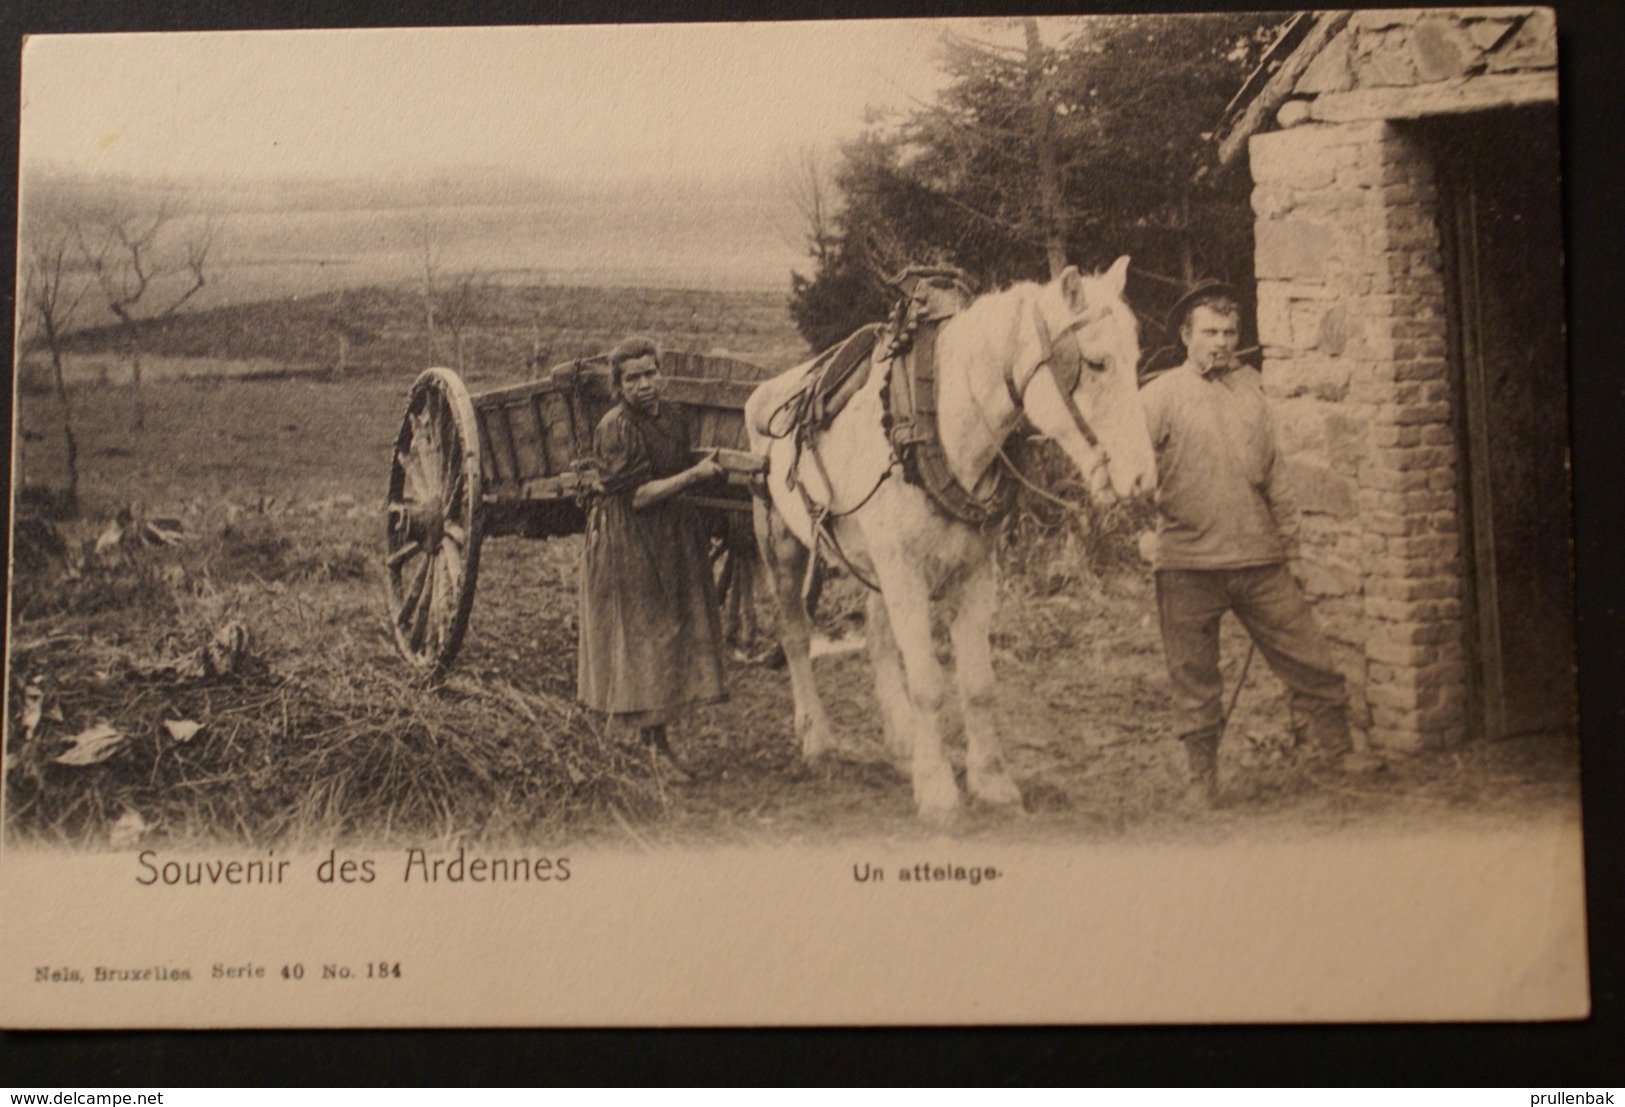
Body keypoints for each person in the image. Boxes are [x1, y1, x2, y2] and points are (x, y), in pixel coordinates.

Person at [1140, 282, 1377, 804]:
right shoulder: (1157, 397)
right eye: (1210, 333)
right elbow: (1126, 470)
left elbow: (1278, 475)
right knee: (1194, 675)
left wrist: (1290, 542)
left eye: (1229, 332)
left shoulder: (1255, 388)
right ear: (1186, 336)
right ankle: (1203, 781)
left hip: (1259, 558)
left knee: (1307, 653)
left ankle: (1337, 751)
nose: (1221, 342)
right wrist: (1139, 531)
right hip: (1186, 564)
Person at [577, 337, 727, 779]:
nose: (645, 384)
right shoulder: (615, 427)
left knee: (672, 629)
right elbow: (638, 496)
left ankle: (657, 739)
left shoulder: (674, 417)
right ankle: (652, 746)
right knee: (646, 634)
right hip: (630, 538)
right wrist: (695, 475)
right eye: (633, 378)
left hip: (671, 535)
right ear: (618, 385)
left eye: (650, 374)